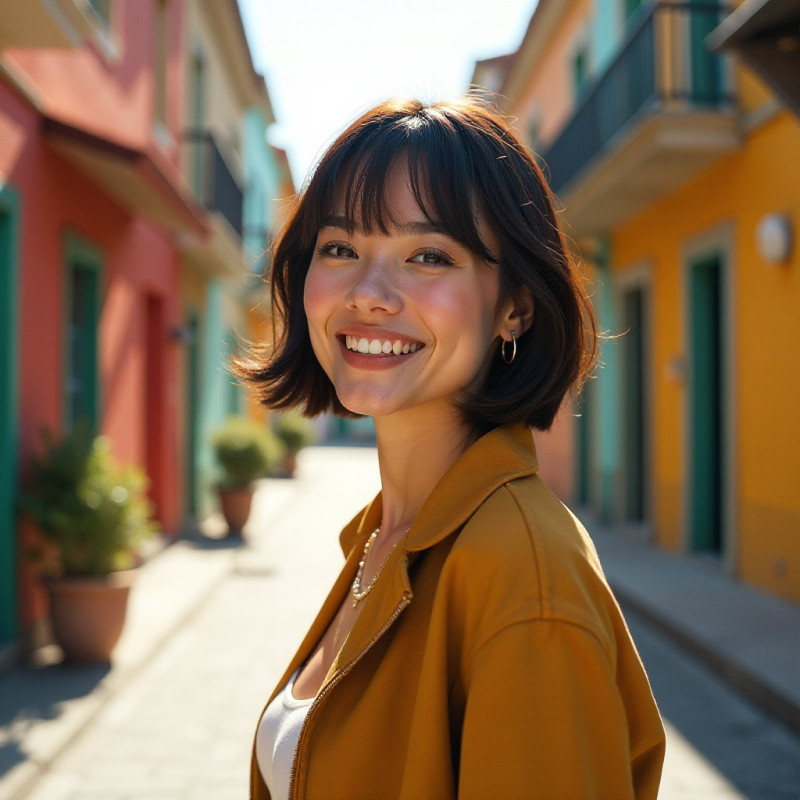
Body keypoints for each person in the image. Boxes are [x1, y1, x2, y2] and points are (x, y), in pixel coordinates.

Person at [236, 97, 665, 800]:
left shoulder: (526, 580)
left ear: (515, 307)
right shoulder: (386, 536)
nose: (368, 295)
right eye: (340, 247)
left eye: (428, 256)